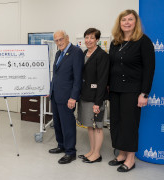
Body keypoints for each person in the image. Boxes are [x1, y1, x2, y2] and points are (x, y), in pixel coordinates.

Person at [108, 9, 155, 172]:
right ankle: (121, 154)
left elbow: (149, 69)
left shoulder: (143, 41)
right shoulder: (115, 43)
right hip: (115, 90)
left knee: (129, 125)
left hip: (133, 90)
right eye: (123, 20)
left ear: (136, 23)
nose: (126, 22)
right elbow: (111, 67)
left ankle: (130, 159)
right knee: (117, 123)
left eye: (130, 19)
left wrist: (144, 93)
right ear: (119, 24)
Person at [48, 30, 84, 164]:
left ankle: (70, 152)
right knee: (57, 123)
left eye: (61, 39)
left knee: (67, 124)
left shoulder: (76, 52)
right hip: (56, 95)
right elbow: (56, 75)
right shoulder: (58, 53)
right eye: (56, 40)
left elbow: (78, 78)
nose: (59, 42)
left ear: (67, 38)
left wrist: (73, 97)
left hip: (67, 97)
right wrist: (50, 90)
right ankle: (61, 145)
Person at [77, 28, 109, 163]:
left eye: (91, 37)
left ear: (97, 40)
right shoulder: (85, 53)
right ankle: (91, 150)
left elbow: (103, 80)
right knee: (90, 125)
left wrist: (98, 102)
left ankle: (97, 154)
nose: (88, 40)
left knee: (98, 126)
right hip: (85, 96)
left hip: (96, 97)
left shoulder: (102, 55)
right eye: (86, 37)